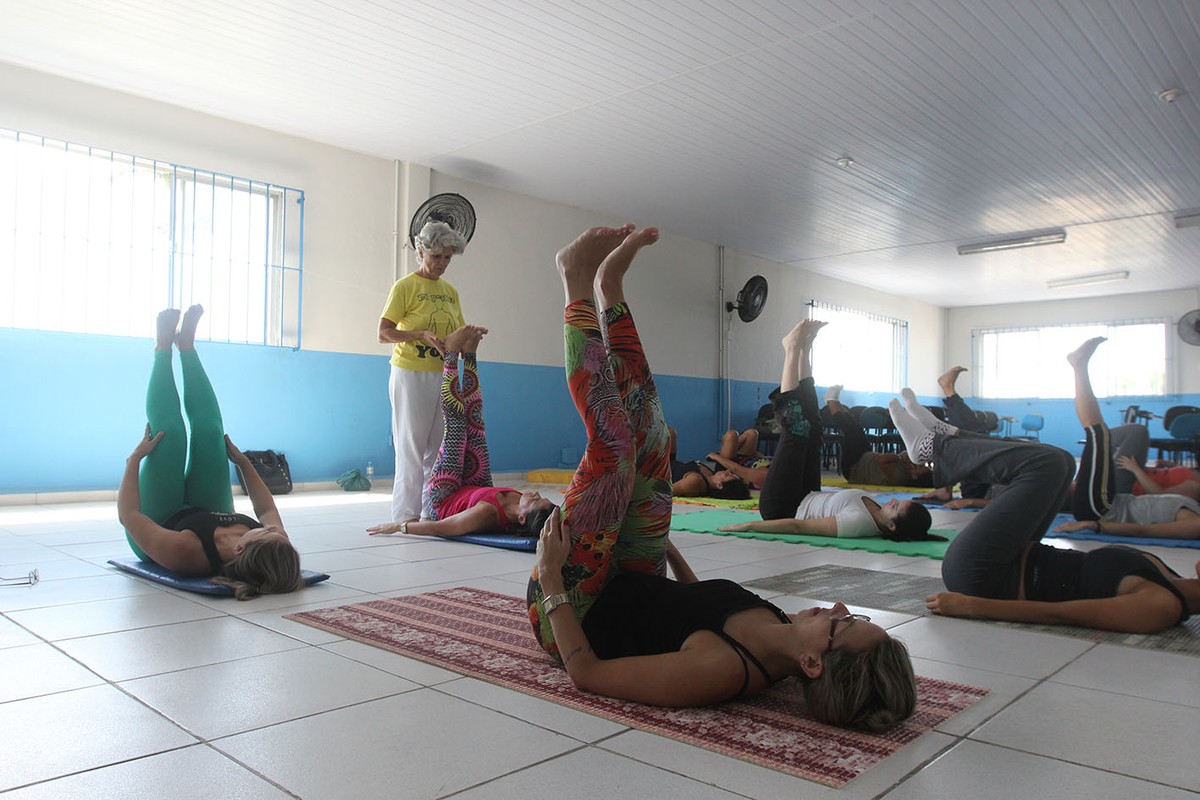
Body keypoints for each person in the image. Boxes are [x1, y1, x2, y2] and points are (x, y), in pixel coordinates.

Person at [529, 224, 917, 731]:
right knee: (653, 442)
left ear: (813, 664)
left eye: (843, 624)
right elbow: (697, 608)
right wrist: (666, 549)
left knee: (613, 448)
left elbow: (587, 672)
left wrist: (552, 575)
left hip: (574, 609)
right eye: (855, 615)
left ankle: (575, 278)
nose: (839, 607)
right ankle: (610, 291)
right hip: (635, 577)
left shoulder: (718, 672)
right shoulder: (784, 633)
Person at [884, 362, 1199, 634]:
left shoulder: (1163, 605)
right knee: (1061, 462)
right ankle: (947, 437)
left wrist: (973, 606)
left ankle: (933, 449)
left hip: (984, 574)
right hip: (1010, 556)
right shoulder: (1166, 576)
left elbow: (1061, 614)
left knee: (1047, 465)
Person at [117, 306, 302, 600]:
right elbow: (266, 510)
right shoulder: (275, 543)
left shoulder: (187, 553)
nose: (275, 529)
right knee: (210, 434)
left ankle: (163, 347)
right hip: (204, 510)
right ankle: (187, 347)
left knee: (170, 435)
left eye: (267, 532)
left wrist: (134, 460)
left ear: (240, 548)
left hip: (158, 521)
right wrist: (242, 463)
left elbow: (129, 515)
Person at [717, 322, 935, 541]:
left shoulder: (857, 524)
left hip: (783, 506)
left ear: (892, 526)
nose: (892, 501)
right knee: (814, 427)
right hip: (807, 494)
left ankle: (791, 349)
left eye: (896, 507)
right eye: (899, 501)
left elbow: (798, 528)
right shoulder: (879, 511)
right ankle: (804, 348)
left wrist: (749, 525)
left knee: (796, 430)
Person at [366, 325, 556, 539]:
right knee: (475, 420)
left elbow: (445, 527)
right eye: (541, 497)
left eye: (536, 501)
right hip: (477, 487)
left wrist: (399, 526)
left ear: (521, 518)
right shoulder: (520, 505)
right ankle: (470, 355)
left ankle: (451, 354)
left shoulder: (487, 513)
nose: (536, 494)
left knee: (456, 425)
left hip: (447, 496)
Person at [378, 220, 480, 525]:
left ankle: (431, 510)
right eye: (437, 256)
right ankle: (405, 515)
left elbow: (455, 336)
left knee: (440, 446)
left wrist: (470, 337)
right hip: (411, 373)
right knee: (411, 444)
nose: (443, 264)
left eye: (448, 257)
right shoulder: (406, 286)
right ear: (421, 251)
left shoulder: (450, 292)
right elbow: (384, 333)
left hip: (445, 374)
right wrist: (420, 334)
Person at [1052, 337, 1200, 540]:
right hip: (1109, 502)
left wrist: (1096, 526)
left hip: (1103, 510)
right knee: (1054, 481)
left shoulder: (1194, 519)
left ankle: (1079, 365)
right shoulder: (1189, 502)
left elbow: (1143, 531)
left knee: (1098, 434)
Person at [822, 388, 935, 488]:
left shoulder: (900, 476)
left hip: (854, 468)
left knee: (850, 430)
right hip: (865, 458)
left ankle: (830, 402)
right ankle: (836, 402)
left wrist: (902, 458)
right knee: (857, 429)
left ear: (915, 476)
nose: (920, 465)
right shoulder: (906, 469)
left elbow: (882, 460)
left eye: (920, 468)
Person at [666, 427, 752, 500]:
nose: (727, 471)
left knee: (667, 432)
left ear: (719, 485)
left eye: (727, 475)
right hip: (671, 462)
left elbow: (665, 492)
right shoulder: (710, 476)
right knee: (671, 432)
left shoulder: (696, 482)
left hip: (661, 467)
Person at [705, 428, 772, 489]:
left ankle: (728, 450)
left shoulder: (764, 477)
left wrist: (716, 456)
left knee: (731, 435)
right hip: (746, 460)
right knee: (752, 433)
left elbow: (736, 469)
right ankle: (732, 449)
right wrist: (761, 456)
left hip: (730, 469)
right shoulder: (776, 467)